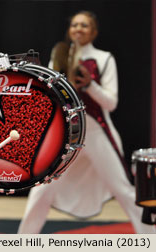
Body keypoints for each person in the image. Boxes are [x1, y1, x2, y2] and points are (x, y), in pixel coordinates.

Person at [18, 10, 156, 234]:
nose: (78, 29)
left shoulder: (104, 58)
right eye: (75, 25)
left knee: (122, 189)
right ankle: (23, 242)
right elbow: (52, 95)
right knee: (42, 190)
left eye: (84, 25)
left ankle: (151, 238)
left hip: (95, 132)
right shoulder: (60, 54)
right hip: (67, 134)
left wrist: (90, 85)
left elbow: (111, 103)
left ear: (93, 32)